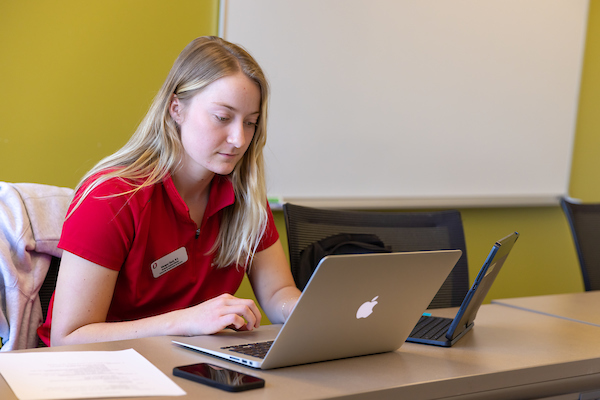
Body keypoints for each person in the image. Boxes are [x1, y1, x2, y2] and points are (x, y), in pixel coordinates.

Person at [38, 36, 301, 346]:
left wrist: (308, 311)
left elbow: (276, 293)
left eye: (251, 123)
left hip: (189, 366)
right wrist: (187, 321)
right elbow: (68, 338)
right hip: (101, 372)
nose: (239, 139)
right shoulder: (111, 197)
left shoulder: (245, 197)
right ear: (177, 108)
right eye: (223, 118)